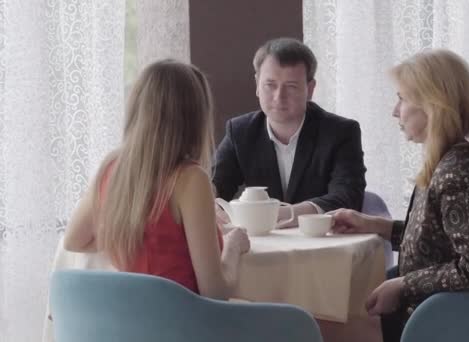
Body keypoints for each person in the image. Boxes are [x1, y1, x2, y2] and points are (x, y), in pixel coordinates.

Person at [329, 49, 469, 341]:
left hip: (451, 321)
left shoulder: (457, 174)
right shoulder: (458, 159)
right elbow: (440, 241)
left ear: (434, 106)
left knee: (323, 322)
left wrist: (404, 285)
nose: (395, 110)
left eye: (402, 99)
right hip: (441, 310)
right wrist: (376, 226)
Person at [63, 60, 250, 300]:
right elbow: (215, 292)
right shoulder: (191, 179)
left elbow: (74, 241)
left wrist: (130, 237)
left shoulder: (112, 167)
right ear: (193, 117)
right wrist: (233, 248)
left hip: (130, 324)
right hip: (182, 325)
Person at [213, 37, 367, 227]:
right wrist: (212, 206)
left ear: (310, 89)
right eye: (270, 85)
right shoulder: (240, 131)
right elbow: (215, 185)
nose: (279, 97)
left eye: (291, 86)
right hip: (260, 244)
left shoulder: (341, 132)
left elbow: (347, 196)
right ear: (257, 84)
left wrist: (282, 214)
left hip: (321, 244)